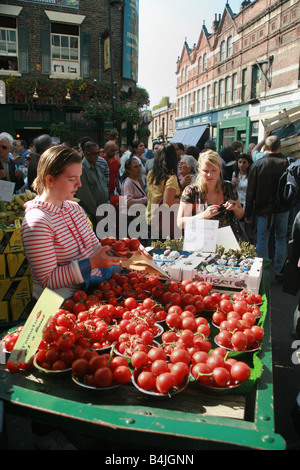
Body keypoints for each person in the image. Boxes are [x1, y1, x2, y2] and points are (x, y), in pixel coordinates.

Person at [20, 145, 121, 301]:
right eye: (71, 179)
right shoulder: (37, 222)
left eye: (79, 177)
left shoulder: (74, 207)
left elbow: (94, 246)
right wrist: (92, 263)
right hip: (61, 304)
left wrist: (121, 251)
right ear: (50, 179)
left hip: (90, 293)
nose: (79, 184)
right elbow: (48, 279)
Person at [244, 135, 290, 281]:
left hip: (263, 208)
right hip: (283, 207)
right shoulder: (287, 163)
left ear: (266, 148)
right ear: (280, 147)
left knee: (262, 239)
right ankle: (279, 270)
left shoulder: (258, 164)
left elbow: (250, 192)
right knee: (281, 238)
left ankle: (262, 271)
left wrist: (248, 213)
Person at [177, 150, 244, 235]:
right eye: (205, 171)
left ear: (220, 169)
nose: (210, 175)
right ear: (199, 170)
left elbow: (240, 214)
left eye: (214, 170)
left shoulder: (228, 188)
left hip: (226, 242)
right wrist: (204, 215)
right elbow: (180, 223)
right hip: (200, 242)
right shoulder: (191, 191)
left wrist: (234, 207)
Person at [146, 143, 182, 240]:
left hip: (151, 218)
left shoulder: (151, 174)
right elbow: (168, 203)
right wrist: (181, 200)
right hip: (165, 223)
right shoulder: (171, 178)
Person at [76, 141, 109, 226]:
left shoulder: (98, 165)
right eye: (94, 153)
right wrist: (97, 215)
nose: (97, 156)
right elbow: (86, 195)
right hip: (92, 212)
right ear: (86, 153)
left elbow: (103, 186)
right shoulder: (82, 169)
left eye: (98, 153)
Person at [120, 157, 148, 239]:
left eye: (140, 166)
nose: (139, 169)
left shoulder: (137, 181)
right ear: (128, 170)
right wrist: (145, 199)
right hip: (132, 219)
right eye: (135, 167)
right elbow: (128, 202)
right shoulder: (128, 182)